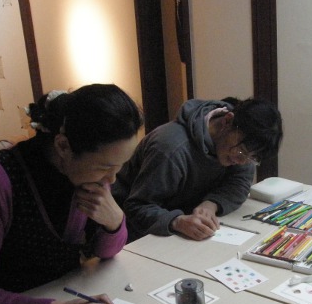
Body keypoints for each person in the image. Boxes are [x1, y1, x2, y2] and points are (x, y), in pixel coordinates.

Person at [0, 84, 143, 304]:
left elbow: (105, 253)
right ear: (63, 146)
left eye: (120, 166)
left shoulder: (88, 176)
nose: (112, 179)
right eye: (105, 167)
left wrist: (114, 223)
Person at [112, 97, 283, 242]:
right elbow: (136, 207)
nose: (242, 161)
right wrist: (176, 221)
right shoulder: (171, 148)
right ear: (227, 121)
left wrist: (211, 204)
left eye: (251, 158)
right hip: (134, 236)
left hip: (185, 233)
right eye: (241, 152)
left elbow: (239, 183)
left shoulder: (243, 141)